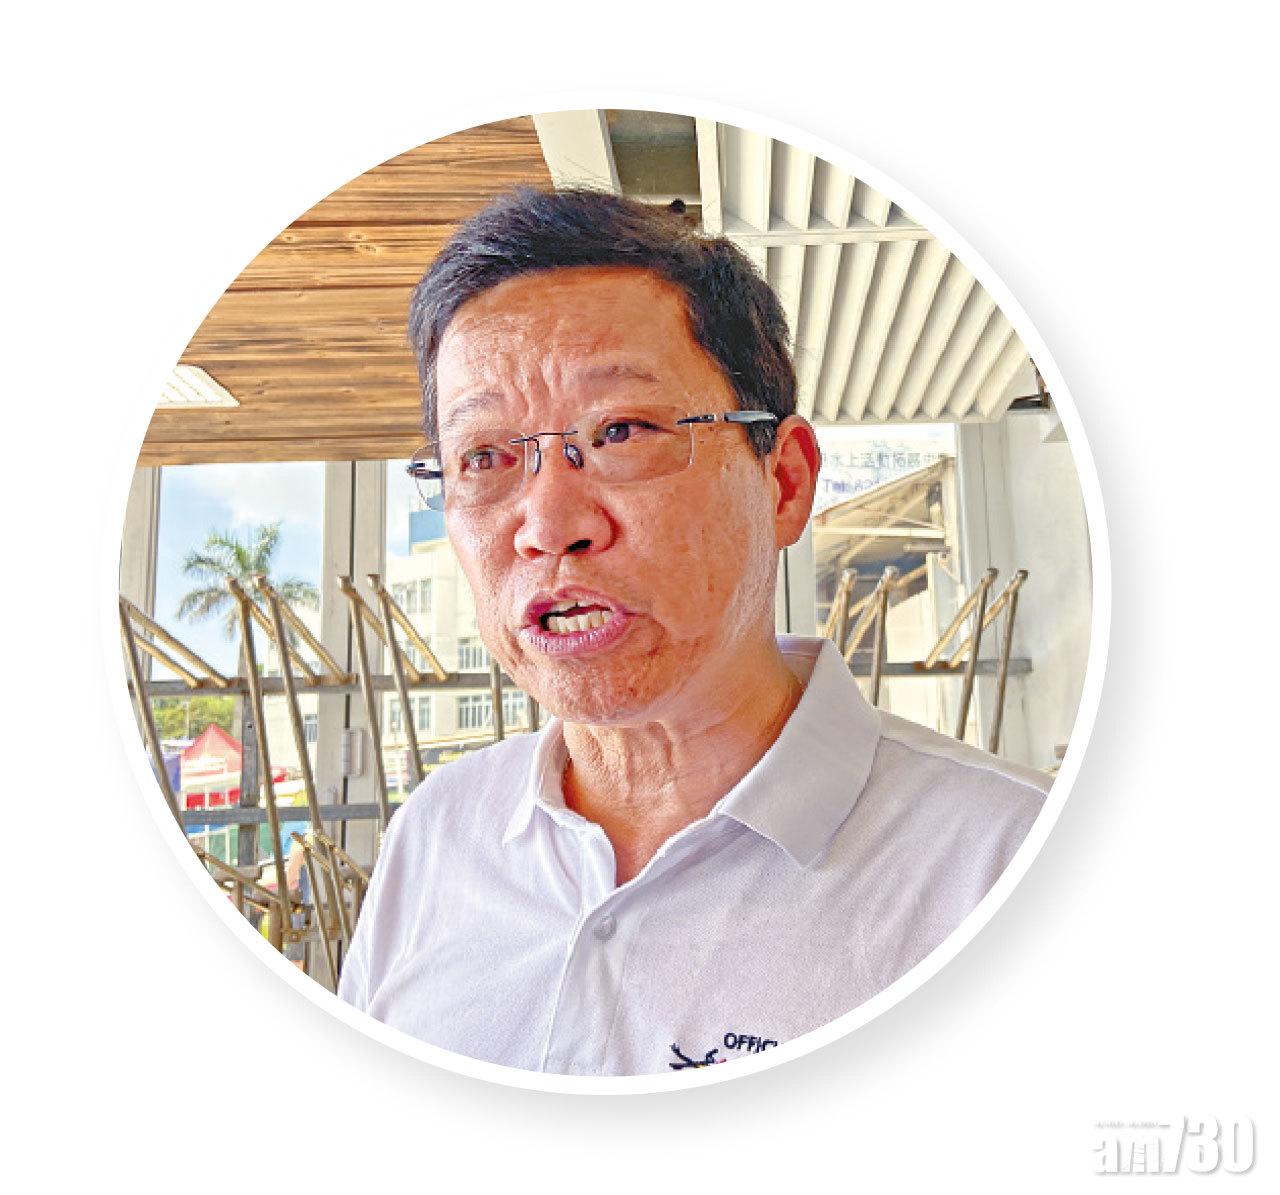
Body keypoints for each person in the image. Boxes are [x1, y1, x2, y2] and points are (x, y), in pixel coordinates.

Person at [337, 188, 1048, 1076]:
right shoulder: (436, 836)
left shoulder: (1010, 869)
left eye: (621, 431)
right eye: (484, 456)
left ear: (784, 483)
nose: (549, 524)